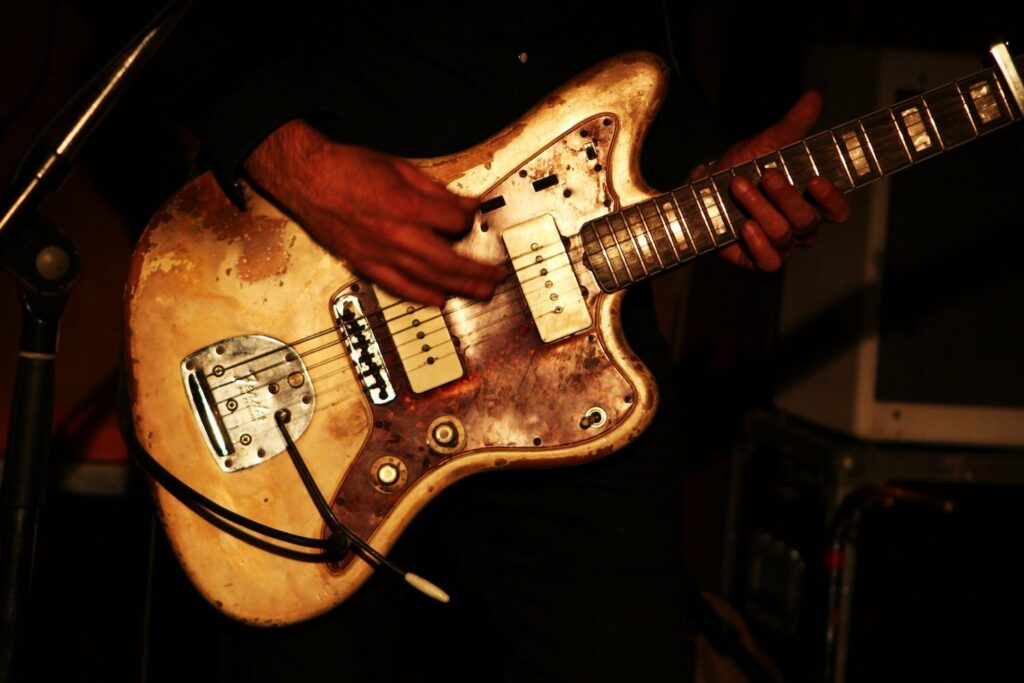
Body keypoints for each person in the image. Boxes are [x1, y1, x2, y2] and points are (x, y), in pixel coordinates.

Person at [142, 3, 850, 680]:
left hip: (579, 369)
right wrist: (304, 167)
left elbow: (638, 47)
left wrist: (707, 171)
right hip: (309, 283)